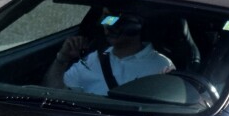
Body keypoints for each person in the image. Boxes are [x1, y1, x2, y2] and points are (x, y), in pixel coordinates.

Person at [45, 11, 173, 96]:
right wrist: (62, 58)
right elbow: (52, 92)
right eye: (105, 18)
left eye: (116, 20)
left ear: (136, 26)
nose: (107, 25)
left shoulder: (161, 65)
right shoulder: (92, 59)